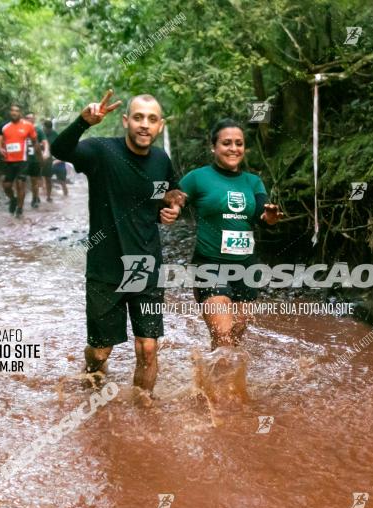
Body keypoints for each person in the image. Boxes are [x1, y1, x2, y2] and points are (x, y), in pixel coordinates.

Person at [50, 89, 185, 401]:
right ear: (126, 120)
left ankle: (143, 410)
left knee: (148, 348)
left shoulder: (161, 160)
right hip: (105, 268)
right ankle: (92, 377)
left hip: (145, 266)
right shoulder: (101, 152)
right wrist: (83, 122)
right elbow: (60, 150)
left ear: (160, 126)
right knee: (101, 351)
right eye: (138, 117)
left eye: (151, 119)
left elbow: (170, 193)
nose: (144, 125)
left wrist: (172, 208)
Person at [178, 119, 282, 350]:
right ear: (213, 147)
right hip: (210, 264)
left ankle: (216, 382)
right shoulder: (197, 178)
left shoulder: (252, 181)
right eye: (226, 143)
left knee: (234, 339)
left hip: (246, 266)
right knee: (223, 336)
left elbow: (262, 215)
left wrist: (269, 218)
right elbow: (172, 203)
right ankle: (214, 386)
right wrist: (170, 206)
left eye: (239, 143)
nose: (233, 148)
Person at [0, 103, 38, 217]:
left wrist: (38, 154)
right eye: (12, 110)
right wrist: (0, 149)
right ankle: (13, 199)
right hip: (9, 161)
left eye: (17, 111)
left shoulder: (28, 125)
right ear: (10, 112)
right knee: (6, 186)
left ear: (20, 113)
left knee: (20, 184)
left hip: (23, 160)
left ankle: (19, 209)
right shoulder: (4, 126)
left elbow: (35, 141)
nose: (14, 112)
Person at [24, 113, 49, 208]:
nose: (29, 120)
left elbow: (45, 142)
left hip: (35, 159)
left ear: (34, 120)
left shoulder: (38, 130)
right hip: (22, 159)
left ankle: (34, 198)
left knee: (34, 180)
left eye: (31, 118)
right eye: (27, 118)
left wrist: (46, 152)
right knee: (20, 180)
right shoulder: (20, 129)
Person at [41, 120, 68, 198]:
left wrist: (57, 161)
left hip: (59, 165)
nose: (45, 129)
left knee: (63, 183)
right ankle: (47, 197)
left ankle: (66, 197)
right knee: (45, 180)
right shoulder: (42, 135)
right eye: (45, 128)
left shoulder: (56, 136)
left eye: (46, 128)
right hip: (47, 162)